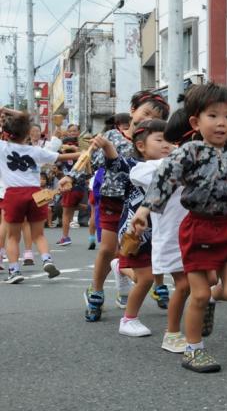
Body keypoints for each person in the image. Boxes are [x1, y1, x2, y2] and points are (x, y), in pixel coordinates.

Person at [133, 77, 227, 373]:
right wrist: (144, 210)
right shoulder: (189, 152)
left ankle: (208, 301)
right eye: (213, 116)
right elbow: (164, 179)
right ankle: (194, 350)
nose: (221, 123)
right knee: (197, 292)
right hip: (197, 227)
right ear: (196, 122)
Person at [60, 92, 170, 322]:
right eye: (146, 112)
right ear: (132, 111)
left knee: (151, 247)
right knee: (108, 249)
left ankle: (155, 283)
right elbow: (88, 159)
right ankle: (96, 292)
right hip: (114, 200)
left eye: (156, 117)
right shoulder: (112, 136)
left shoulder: (160, 141)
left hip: (145, 206)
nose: (148, 119)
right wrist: (71, 177)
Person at [108, 120, 173, 337]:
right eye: (160, 139)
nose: (167, 144)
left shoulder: (175, 165)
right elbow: (115, 162)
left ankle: (120, 267)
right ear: (141, 146)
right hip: (137, 230)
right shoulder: (138, 168)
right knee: (145, 278)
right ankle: (128, 319)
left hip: (163, 230)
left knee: (152, 273)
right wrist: (108, 148)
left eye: (170, 140)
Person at [0, 108, 79, 283]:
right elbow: (63, 156)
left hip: (13, 193)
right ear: (28, 132)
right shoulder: (36, 151)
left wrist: (3, 112)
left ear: (6, 133)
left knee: (13, 236)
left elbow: (18, 120)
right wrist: (85, 153)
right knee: (39, 234)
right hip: (36, 192)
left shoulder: (2, 148)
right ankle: (46, 259)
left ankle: (14, 271)